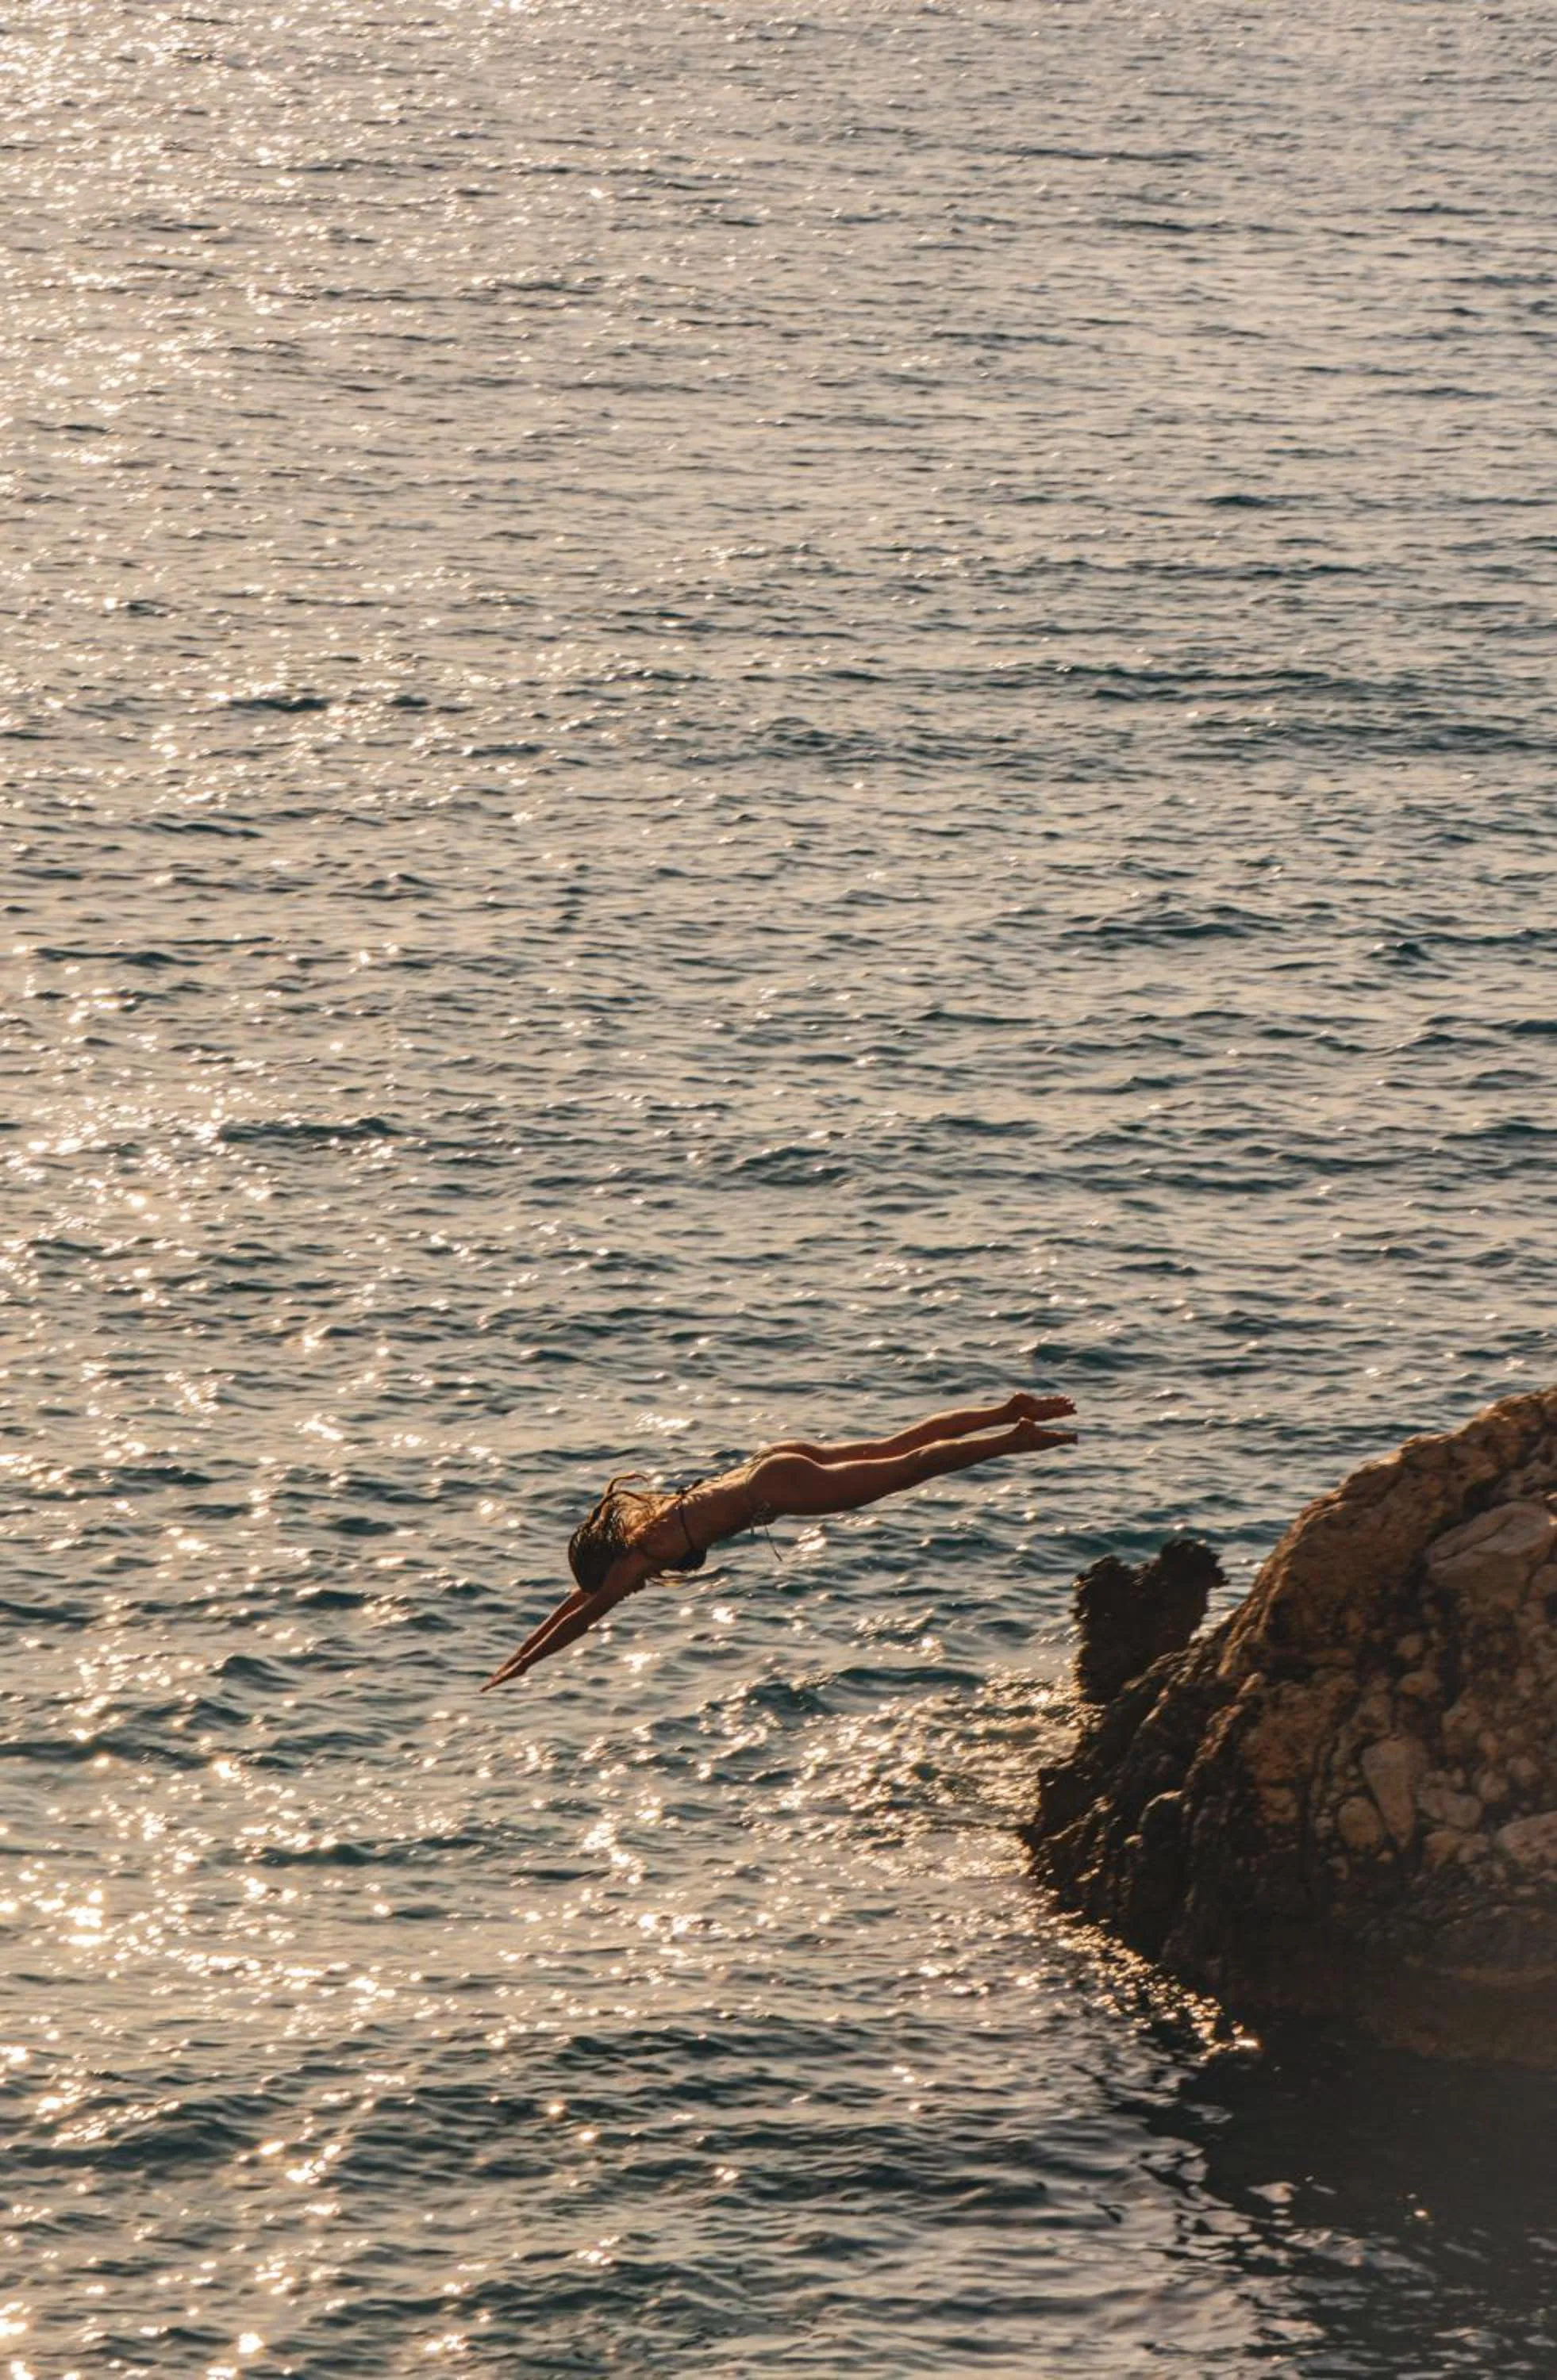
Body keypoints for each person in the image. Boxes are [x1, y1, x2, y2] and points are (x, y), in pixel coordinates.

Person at [481, 1389, 1077, 1691]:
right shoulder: (646, 1524)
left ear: (610, 1568)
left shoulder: (634, 1559)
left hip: (773, 1489)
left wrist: (525, 1666)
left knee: (908, 1468)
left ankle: (1011, 1439)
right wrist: (515, 1655)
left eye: (615, 1584)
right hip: (767, 1460)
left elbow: (582, 1616)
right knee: (894, 1445)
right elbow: (575, 1602)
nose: (623, 1592)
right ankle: (1006, 1411)